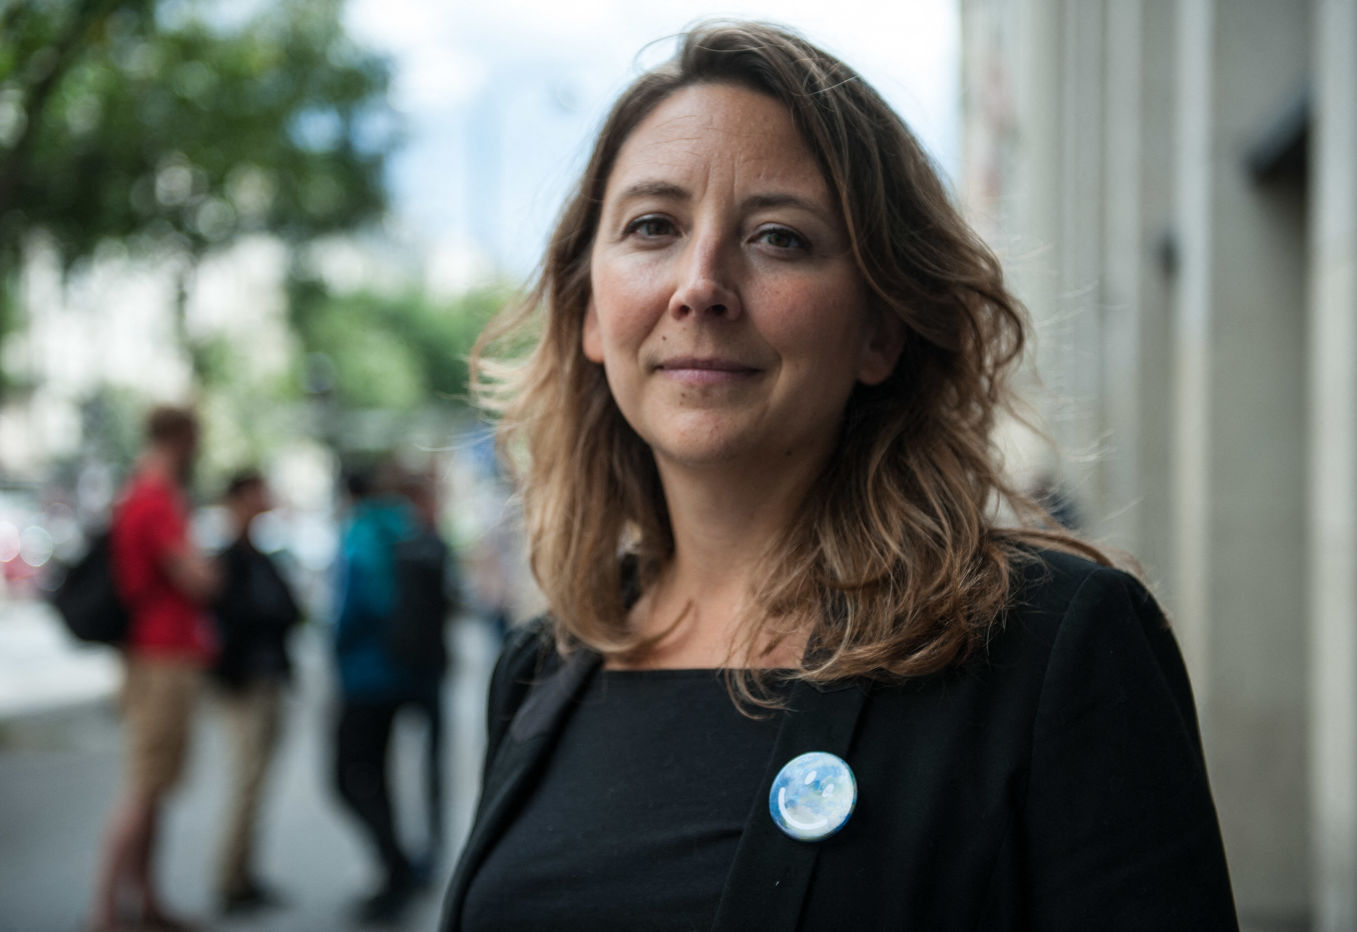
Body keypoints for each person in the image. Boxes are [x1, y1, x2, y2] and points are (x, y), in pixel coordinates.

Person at [439, 20, 1238, 932]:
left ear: (880, 331)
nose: (700, 285)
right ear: (590, 311)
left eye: (779, 238)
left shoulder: (1052, 647)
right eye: (653, 226)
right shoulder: (539, 672)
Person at [90, 405, 219, 932]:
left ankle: (144, 899)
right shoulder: (155, 498)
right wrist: (207, 569)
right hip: (161, 656)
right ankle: (105, 912)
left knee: (154, 785)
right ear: (181, 437)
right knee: (144, 786)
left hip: (154, 653)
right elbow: (197, 579)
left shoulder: (138, 493)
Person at [208, 469, 301, 914]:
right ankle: (232, 880)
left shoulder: (257, 556)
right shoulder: (228, 559)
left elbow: (288, 610)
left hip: (264, 678)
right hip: (244, 684)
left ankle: (241, 875)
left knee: (255, 782)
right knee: (246, 781)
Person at [330, 465, 419, 923]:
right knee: (377, 775)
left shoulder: (361, 533)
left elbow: (356, 606)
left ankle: (395, 866)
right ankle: (396, 866)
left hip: (363, 676)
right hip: (400, 672)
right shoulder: (402, 524)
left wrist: (335, 644)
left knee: (346, 777)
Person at [390, 472, 455, 878]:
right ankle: (422, 848)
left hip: (420, 664)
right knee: (424, 762)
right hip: (413, 665)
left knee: (428, 763)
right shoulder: (420, 547)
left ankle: (428, 847)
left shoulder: (417, 546)